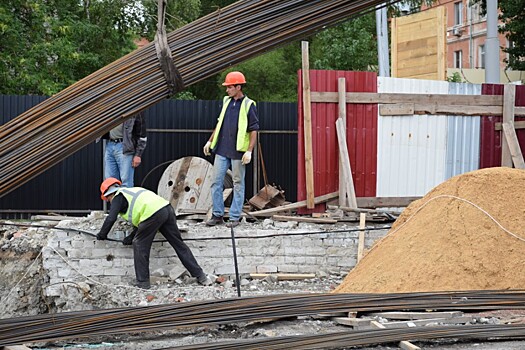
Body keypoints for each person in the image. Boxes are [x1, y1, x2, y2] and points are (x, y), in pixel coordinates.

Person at [96, 177, 212, 289]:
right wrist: (131, 237)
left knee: (140, 244)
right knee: (179, 245)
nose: (110, 202)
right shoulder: (132, 191)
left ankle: (143, 283)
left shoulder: (117, 196)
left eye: (107, 199)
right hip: (166, 209)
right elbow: (142, 222)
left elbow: (111, 218)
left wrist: (102, 234)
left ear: (109, 194)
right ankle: (201, 276)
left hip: (153, 214)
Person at [203, 71, 259, 228]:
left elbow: (254, 130)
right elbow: (219, 123)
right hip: (221, 149)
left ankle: (234, 217)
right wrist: (210, 141)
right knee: (216, 182)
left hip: (238, 152)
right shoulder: (226, 101)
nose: (227, 90)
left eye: (229, 87)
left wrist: (249, 150)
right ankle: (217, 215)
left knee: (238, 183)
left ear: (238, 87)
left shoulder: (249, 105)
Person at [101, 111, 147, 188]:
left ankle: (125, 200)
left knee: (126, 181)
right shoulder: (110, 109)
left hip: (125, 147)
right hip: (110, 144)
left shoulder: (135, 111)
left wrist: (138, 155)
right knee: (110, 181)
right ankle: (114, 200)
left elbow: (142, 136)